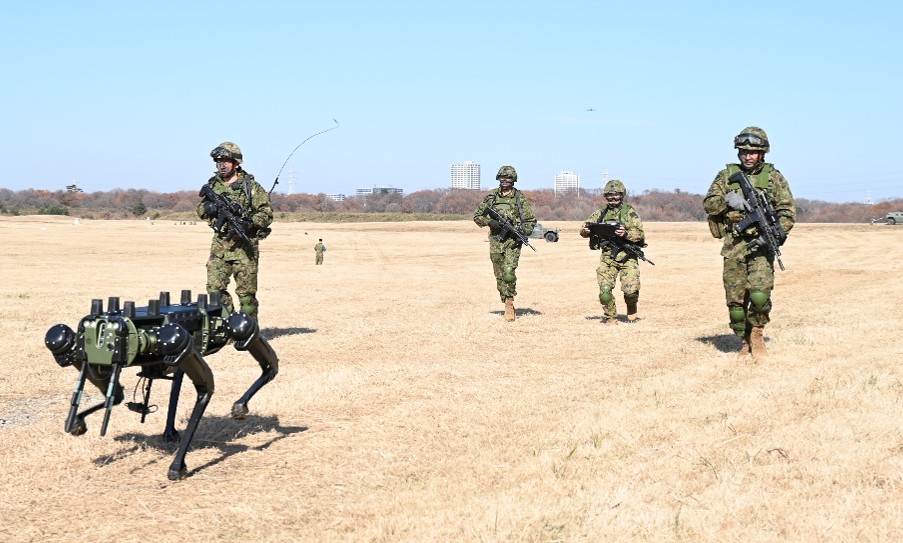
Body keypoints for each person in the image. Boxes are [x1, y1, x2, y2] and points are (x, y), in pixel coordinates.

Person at [703, 126, 796, 360]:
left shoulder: (774, 177)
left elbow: (787, 212)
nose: (747, 155)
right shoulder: (727, 175)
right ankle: (743, 340)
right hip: (734, 246)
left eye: (752, 152)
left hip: (762, 247)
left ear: (762, 153)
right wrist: (730, 201)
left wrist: (776, 233)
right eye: (743, 151)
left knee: (759, 296)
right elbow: (709, 204)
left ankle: (757, 333)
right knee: (735, 303)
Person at [197, 142, 273, 318]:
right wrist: (208, 209)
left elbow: (266, 213)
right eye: (218, 161)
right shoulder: (212, 185)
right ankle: (228, 324)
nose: (221, 165)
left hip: (245, 247)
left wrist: (250, 223)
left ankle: (248, 329)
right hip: (220, 247)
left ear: (236, 162)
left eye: (225, 161)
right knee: (214, 290)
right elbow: (200, 210)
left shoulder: (251, 187)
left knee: (246, 295)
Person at [473, 165, 537, 322]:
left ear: (513, 180)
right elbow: (477, 216)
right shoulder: (491, 198)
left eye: (508, 178)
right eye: (502, 178)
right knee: (499, 275)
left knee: (508, 273)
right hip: (496, 241)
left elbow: (530, 220)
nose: (505, 181)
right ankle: (505, 298)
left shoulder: (519, 198)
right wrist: (490, 222)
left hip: (512, 242)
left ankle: (509, 303)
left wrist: (523, 232)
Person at [579, 179, 645, 325]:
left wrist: (626, 234)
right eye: (610, 196)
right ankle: (611, 317)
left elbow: (639, 233)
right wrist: (586, 230)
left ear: (622, 196)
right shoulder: (600, 213)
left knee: (630, 291)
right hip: (608, 257)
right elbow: (584, 229)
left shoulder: (630, 213)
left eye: (617, 196)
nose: (613, 199)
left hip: (628, 257)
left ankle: (631, 304)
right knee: (605, 291)